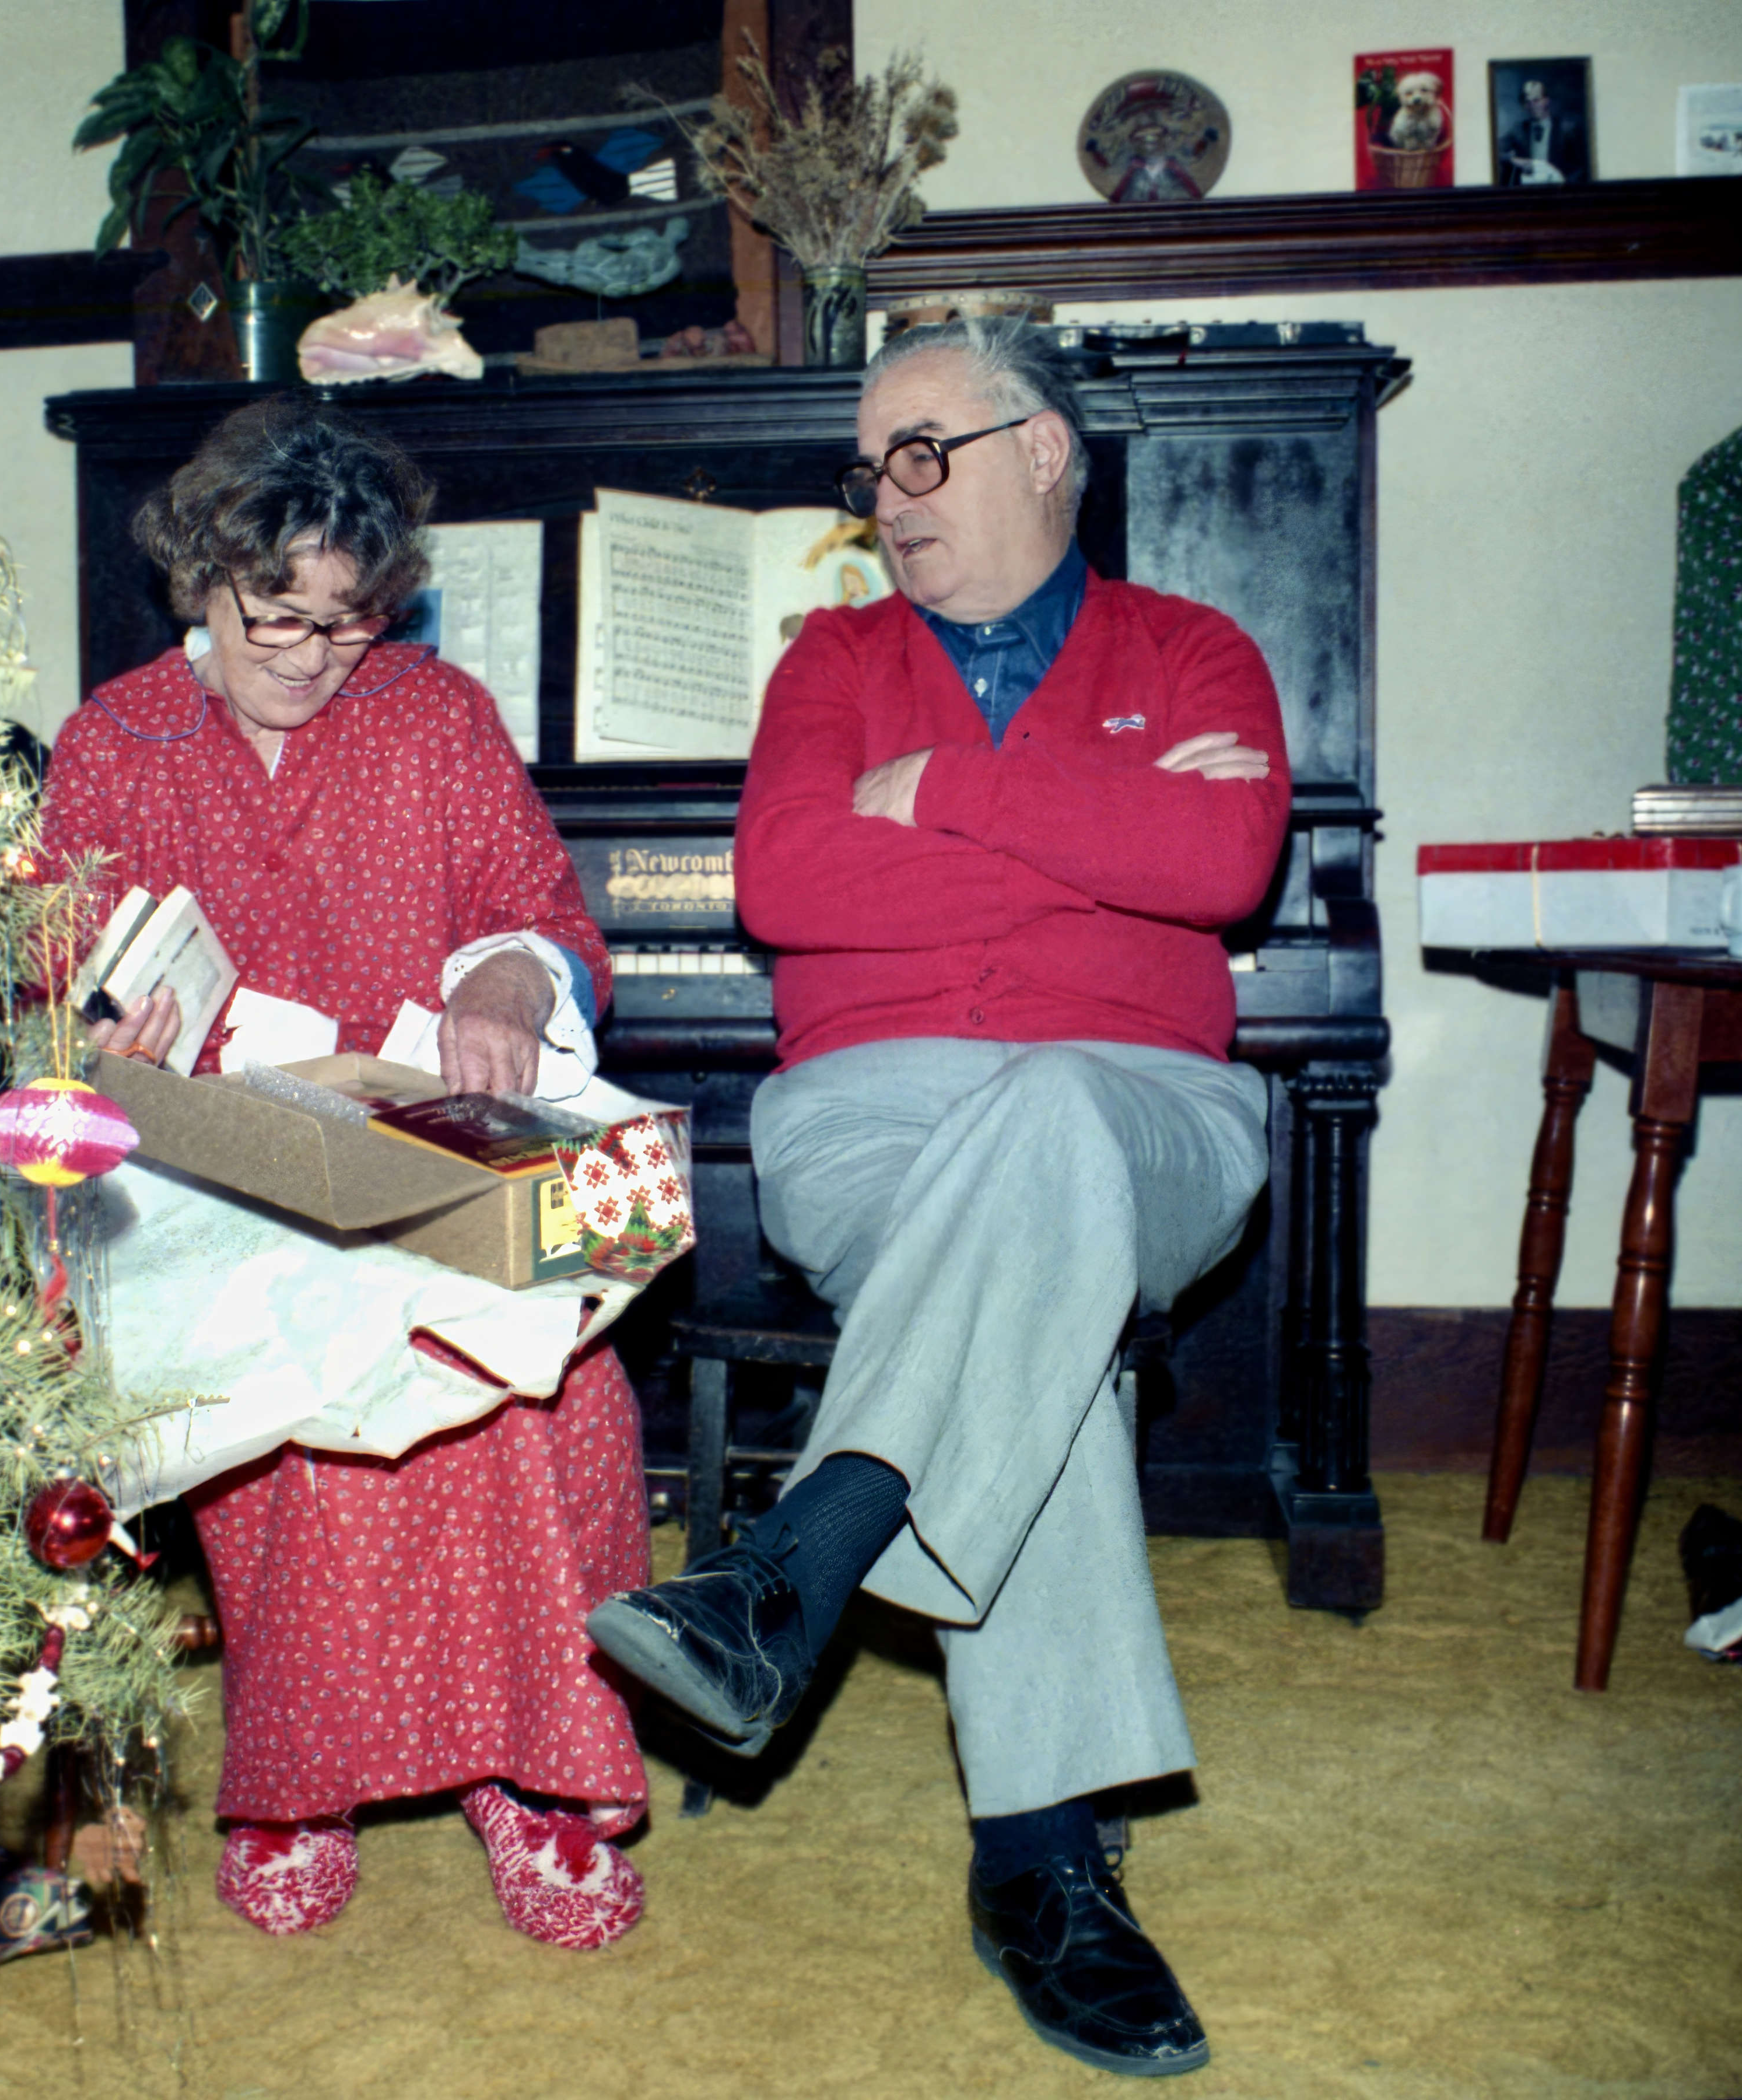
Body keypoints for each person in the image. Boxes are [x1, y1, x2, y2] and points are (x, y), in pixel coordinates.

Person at [587, 317, 1288, 2074]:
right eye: (868, 467)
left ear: (1043, 450)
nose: (886, 497)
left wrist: (946, 796)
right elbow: (783, 883)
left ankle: (799, 1561)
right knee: (1042, 1298)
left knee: (1052, 1116)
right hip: (871, 1120)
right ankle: (1040, 1868)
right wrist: (1092, 838)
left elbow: (1222, 860)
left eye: (923, 452)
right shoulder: (829, 660)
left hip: (1144, 1110)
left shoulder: (1192, 648)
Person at [30, 394, 651, 1952]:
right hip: (204, 1159)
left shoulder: (435, 713)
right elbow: (46, 988)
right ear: (201, 582)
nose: (313, 654)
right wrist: (100, 1031)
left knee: (537, 1335)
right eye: (278, 614)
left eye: (347, 617)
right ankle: (298, 1775)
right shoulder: (114, 741)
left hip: (415, 1123)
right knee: (299, 1339)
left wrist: (505, 982)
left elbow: (538, 909)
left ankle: (534, 1768)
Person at [1496, 77, 1589, 184]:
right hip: (1528, 189)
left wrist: (1565, 186)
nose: (1532, 106)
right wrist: (1514, 160)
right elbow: (1494, 150)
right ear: (1524, 105)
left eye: (1536, 100)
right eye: (1528, 102)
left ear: (1546, 101)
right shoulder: (1518, 130)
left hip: (1558, 189)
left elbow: (1581, 167)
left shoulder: (1567, 129)